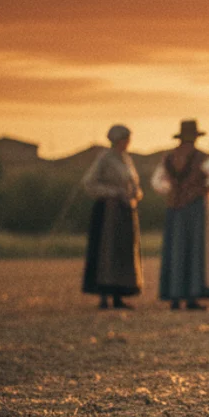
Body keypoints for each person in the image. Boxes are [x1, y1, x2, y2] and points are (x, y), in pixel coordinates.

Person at [151, 119, 209, 310]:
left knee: (176, 249)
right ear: (194, 138)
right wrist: (203, 189)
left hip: (174, 208)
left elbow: (156, 182)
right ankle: (192, 297)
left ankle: (175, 297)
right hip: (194, 208)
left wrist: (171, 191)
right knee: (194, 250)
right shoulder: (202, 158)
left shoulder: (169, 158)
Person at [80, 124, 144, 309]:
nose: (128, 142)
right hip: (109, 212)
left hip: (126, 211)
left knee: (124, 253)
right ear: (118, 140)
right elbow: (89, 183)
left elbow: (134, 184)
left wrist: (136, 194)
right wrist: (112, 192)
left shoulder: (126, 160)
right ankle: (104, 295)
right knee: (107, 252)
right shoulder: (105, 159)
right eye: (126, 138)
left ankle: (119, 294)